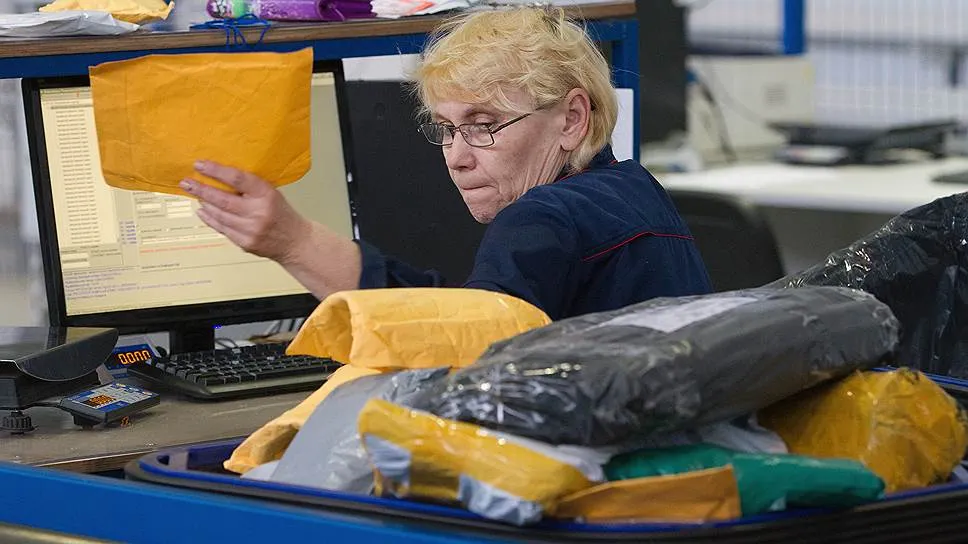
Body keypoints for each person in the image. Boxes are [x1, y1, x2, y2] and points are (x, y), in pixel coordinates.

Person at [178, 7, 712, 321]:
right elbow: (471, 317)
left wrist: (293, 242)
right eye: (447, 129)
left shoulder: (542, 216)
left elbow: (454, 344)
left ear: (571, 119)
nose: (457, 157)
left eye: (484, 124)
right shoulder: (636, 188)